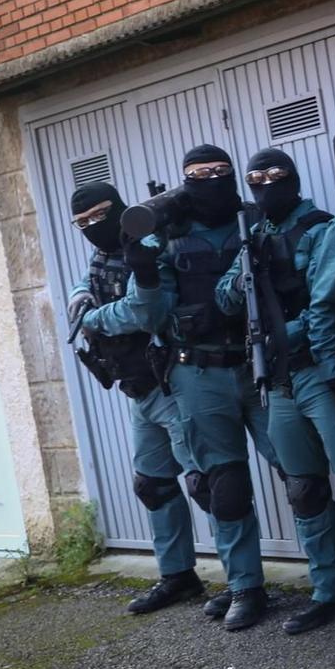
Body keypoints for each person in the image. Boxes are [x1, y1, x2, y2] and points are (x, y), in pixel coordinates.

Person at [214, 148, 335, 639]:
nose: (266, 185)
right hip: (278, 379)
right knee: (305, 489)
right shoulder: (252, 235)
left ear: (293, 181)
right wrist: (246, 270)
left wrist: (280, 338)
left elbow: (325, 304)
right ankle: (331, 590)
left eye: (276, 177)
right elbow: (225, 297)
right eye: (257, 179)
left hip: (320, 369)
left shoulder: (321, 227)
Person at [124, 145, 284, 632]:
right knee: (225, 488)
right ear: (184, 180)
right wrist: (145, 271)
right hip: (198, 372)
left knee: (303, 474)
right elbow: (149, 316)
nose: (210, 181)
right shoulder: (167, 233)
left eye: (219, 172)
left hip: (261, 363)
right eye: (198, 175)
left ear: (235, 175)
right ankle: (245, 586)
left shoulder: (257, 219)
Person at [64, 182, 207, 614]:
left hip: (172, 382)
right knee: (153, 484)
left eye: (99, 216)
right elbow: (90, 282)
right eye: (82, 223)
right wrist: (78, 295)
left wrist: (92, 318)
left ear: (120, 209)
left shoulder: (148, 245)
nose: (92, 228)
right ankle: (178, 576)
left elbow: (143, 312)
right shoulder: (105, 254)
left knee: (212, 485)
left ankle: (245, 584)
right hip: (137, 390)